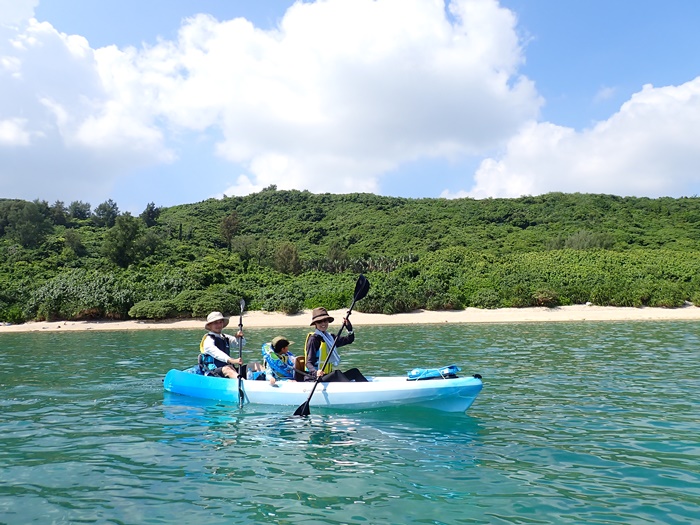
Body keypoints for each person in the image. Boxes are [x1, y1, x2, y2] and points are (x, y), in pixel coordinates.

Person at [305, 307, 368, 382]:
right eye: (319, 322)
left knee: (355, 372)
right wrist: (316, 372)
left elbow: (349, 340)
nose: (323, 324)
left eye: (325, 321)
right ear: (315, 323)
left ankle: (369, 390)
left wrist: (349, 328)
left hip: (326, 376)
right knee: (337, 373)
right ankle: (351, 391)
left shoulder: (330, 338)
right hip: (314, 378)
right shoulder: (314, 339)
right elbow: (308, 363)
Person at [199, 311, 246, 378]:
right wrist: (231, 360)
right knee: (228, 369)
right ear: (209, 325)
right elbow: (215, 352)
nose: (218, 325)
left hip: (228, 369)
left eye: (220, 322)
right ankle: (243, 384)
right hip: (212, 372)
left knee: (253, 365)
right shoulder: (208, 339)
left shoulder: (224, 337)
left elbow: (241, 343)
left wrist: (238, 337)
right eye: (215, 323)